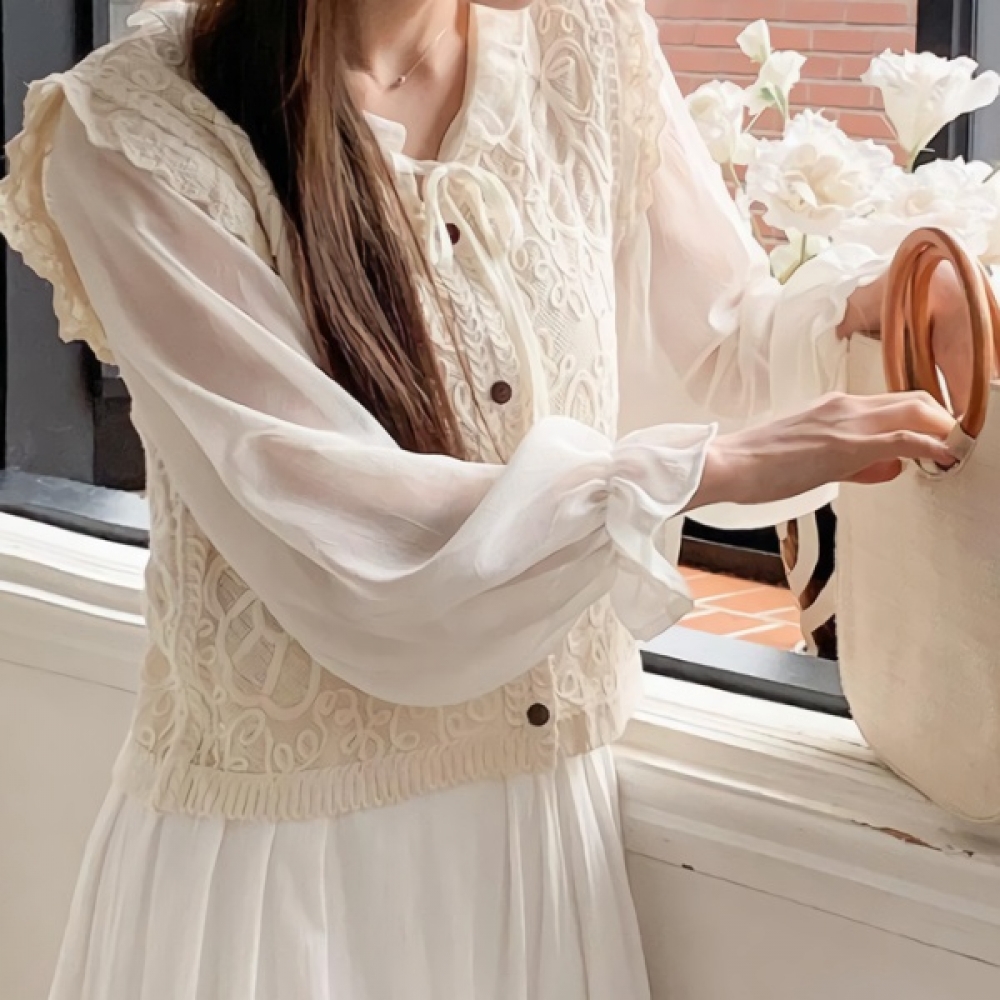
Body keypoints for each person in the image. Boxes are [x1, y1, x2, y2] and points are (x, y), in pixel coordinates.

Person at [0, 1, 970, 997]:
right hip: (286, 878)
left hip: (536, 843)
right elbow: (336, 531)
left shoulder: (587, 44)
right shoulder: (136, 131)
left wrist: (878, 308)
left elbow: (719, 351)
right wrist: (693, 470)